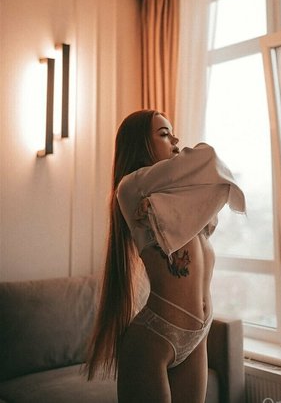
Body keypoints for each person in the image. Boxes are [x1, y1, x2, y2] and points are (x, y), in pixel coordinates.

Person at [85, 109, 245, 402]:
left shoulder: (175, 201)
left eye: (172, 133)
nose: (175, 140)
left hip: (197, 336)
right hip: (155, 337)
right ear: (140, 144)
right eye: (164, 134)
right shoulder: (130, 188)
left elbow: (211, 183)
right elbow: (208, 159)